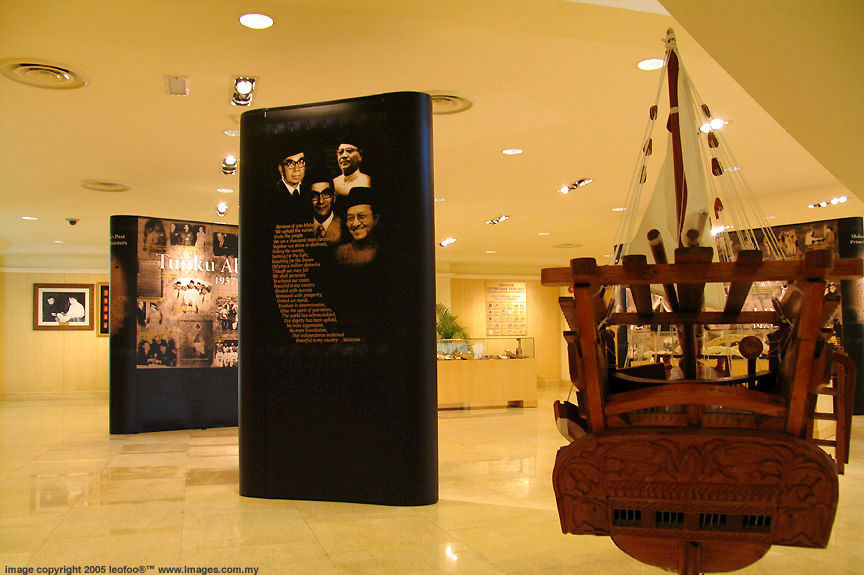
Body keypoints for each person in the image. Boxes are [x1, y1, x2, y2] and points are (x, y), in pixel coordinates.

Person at [335, 187, 379, 266]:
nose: (355, 224)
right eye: (350, 218)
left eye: (361, 217)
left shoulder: (384, 252)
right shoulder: (341, 254)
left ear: (375, 219)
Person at [305, 169, 343, 245]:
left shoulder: (344, 227)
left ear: (334, 198)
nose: (321, 201)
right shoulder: (302, 228)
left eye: (326, 194)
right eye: (315, 196)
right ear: (309, 200)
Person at [274, 148, 309, 223]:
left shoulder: (309, 192)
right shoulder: (271, 195)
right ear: (280, 169)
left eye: (301, 162)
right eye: (290, 164)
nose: (297, 169)